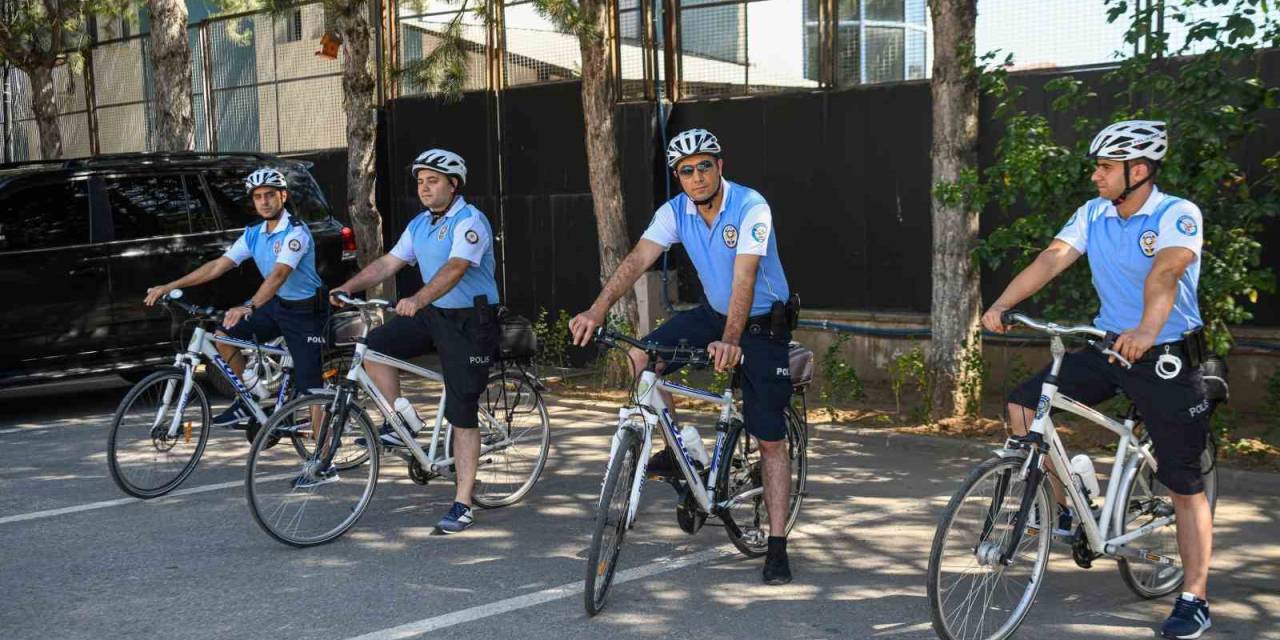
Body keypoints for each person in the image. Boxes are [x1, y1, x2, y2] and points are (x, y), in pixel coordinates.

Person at [982, 120, 1214, 639]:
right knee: (1025, 405)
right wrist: (1002, 303)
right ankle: (1066, 510)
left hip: (1167, 357)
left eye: (1105, 167)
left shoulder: (1177, 214)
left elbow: (1167, 272)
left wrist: (1148, 330)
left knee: (1183, 483)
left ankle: (1194, 595)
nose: (1096, 176)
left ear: (1139, 170)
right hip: (1112, 348)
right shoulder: (1095, 214)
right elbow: (1052, 258)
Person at [569, 128, 797, 585]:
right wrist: (596, 310)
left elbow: (745, 277)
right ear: (679, 177)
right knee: (642, 360)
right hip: (714, 314)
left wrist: (731, 340)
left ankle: (776, 544)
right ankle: (680, 451)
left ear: (720, 166)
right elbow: (637, 260)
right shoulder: (676, 212)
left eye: (704, 166)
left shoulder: (751, 206)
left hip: (762, 324)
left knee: (769, 439)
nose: (696, 177)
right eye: (686, 171)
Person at [331, 148, 499, 534]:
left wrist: (419, 298)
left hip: (471, 321)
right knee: (374, 345)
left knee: (462, 410)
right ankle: (403, 417)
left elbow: (456, 267)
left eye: (433, 181)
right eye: (420, 182)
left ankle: (462, 502)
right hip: (433, 314)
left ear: (453, 185)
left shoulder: (470, 221)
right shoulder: (421, 224)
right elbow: (388, 263)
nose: (424, 188)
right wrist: (349, 286)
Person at [145, 168, 328, 430]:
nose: (264, 201)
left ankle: (324, 464)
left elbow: (278, 275)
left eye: (269, 195)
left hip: (306, 311)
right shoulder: (254, 233)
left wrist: (248, 305)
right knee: (223, 335)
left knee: (312, 389)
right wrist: (170, 286)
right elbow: (218, 266)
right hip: (276, 304)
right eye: (258, 197)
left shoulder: (295, 233)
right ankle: (251, 395)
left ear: (283, 196)